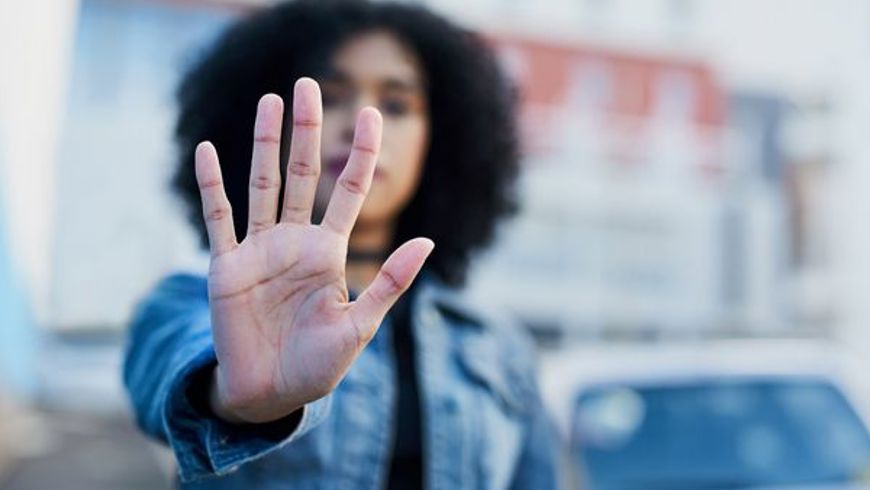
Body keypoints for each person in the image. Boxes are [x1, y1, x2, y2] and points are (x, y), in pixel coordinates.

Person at [123, 1, 557, 488]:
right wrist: (235, 396)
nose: (362, 123)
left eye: (395, 106)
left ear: (438, 140)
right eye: (329, 96)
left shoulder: (500, 348)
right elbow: (165, 370)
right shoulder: (190, 303)